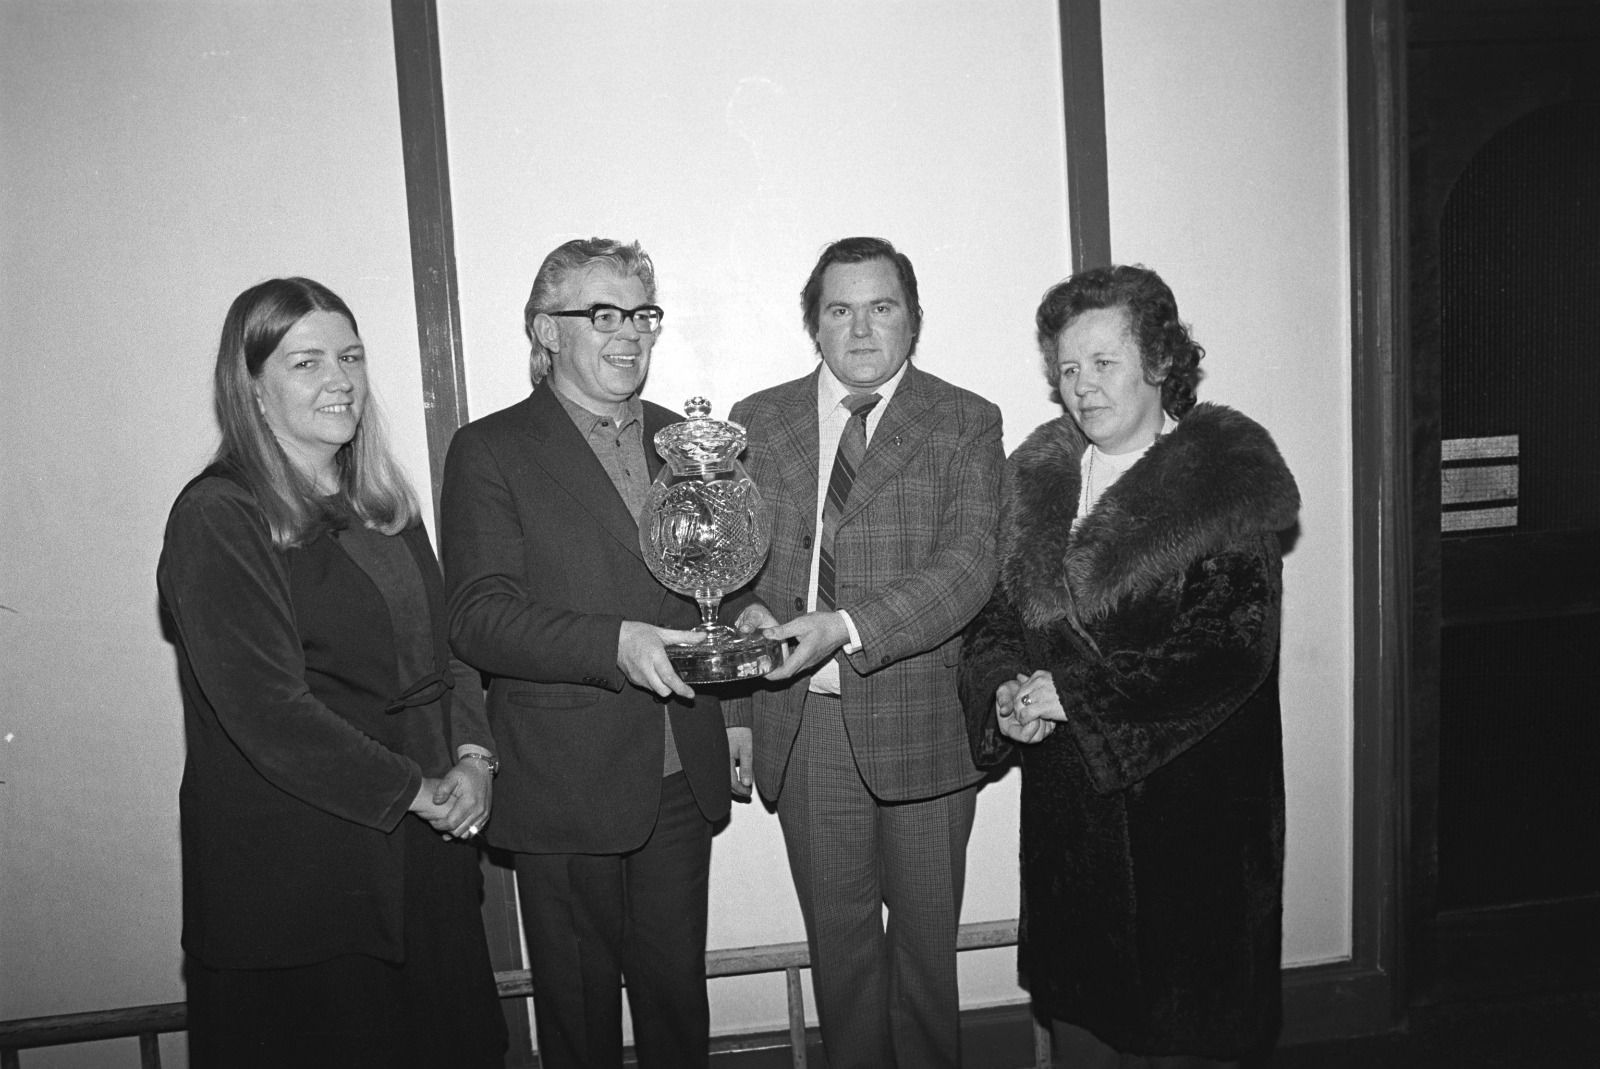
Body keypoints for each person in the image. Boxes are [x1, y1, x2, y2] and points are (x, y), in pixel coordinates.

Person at [158, 277, 507, 1069]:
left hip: (426, 858)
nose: (339, 378)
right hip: (304, 884)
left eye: (349, 356)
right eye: (306, 362)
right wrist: (417, 790)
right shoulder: (219, 514)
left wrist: (476, 760)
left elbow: (452, 652)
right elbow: (267, 712)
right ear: (251, 386)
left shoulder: (383, 501)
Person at [959, 264, 1300, 1068]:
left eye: (1103, 363)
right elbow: (996, 623)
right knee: (1085, 1037)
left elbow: (1230, 648)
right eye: (1067, 369)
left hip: (1194, 834)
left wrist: (1075, 694)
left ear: (1159, 361)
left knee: (1184, 1040)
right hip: (1073, 839)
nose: (1082, 386)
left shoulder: (1220, 482)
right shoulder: (1037, 480)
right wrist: (1003, 690)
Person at [440, 237, 750, 1069]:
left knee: (679, 1008)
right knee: (578, 1026)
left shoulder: (685, 440)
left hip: (681, 770)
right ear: (545, 330)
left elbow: (706, 581)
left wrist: (742, 692)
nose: (630, 335)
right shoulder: (491, 448)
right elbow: (477, 616)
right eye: (601, 314)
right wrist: (614, 644)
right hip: (563, 784)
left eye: (641, 315)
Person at [727, 236, 1004, 1068]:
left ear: (912, 320)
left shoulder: (965, 419)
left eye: (880, 307)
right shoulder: (758, 419)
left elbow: (969, 569)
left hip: (925, 728)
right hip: (802, 729)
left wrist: (844, 626)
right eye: (839, 309)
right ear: (813, 323)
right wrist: (737, 711)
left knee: (925, 957)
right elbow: (734, 571)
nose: (859, 328)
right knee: (839, 957)